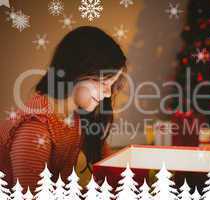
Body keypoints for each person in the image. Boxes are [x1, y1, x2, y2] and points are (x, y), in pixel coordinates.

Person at [0, 26, 127, 191]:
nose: (108, 93)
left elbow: (111, 165)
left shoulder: (77, 117)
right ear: (76, 71)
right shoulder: (35, 129)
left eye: (111, 85)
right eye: (103, 83)